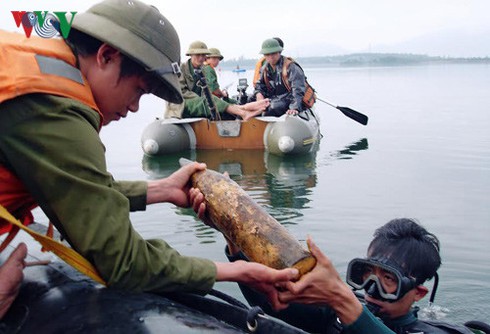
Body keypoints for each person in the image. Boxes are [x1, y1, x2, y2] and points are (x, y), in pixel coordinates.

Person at [0, 0, 299, 320]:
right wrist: (237, 271)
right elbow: (124, 263)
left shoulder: (32, 64)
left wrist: (162, 190)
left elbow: (84, 189)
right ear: (106, 56)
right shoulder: (56, 109)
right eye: (139, 91)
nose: (133, 108)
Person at [198, 212, 476, 333]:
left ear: (418, 293)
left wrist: (341, 298)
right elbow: (274, 305)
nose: (371, 289)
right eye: (367, 275)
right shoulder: (337, 319)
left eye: (388, 280)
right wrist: (234, 242)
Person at [165, 41, 269, 120]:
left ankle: (244, 108)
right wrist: (203, 99)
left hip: (199, 102)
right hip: (182, 104)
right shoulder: (181, 69)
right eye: (198, 55)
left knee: (214, 101)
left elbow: (206, 91)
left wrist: (206, 98)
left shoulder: (202, 70)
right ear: (191, 55)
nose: (201, 58)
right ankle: (244, 112)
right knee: (210, 100)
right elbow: (181, 92)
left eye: (203, 55)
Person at [254, 38, 307, 117]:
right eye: (267, 54)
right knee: (247, 100)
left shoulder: (291, 67)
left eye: (274, 53)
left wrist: (294, 107)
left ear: (279, 52)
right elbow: (260, 85)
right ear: (264, 55)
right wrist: (259, 94)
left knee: (273, 107)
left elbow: (298, 89)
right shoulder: (264, 68)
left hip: (289, 97)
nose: (271, 57)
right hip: (274, 97)